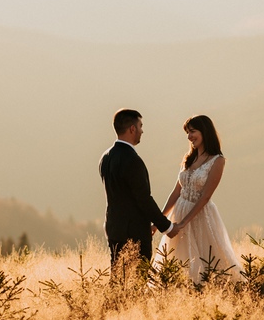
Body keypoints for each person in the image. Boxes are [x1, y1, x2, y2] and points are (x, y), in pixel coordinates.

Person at [153, 115, 243, 286]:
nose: (189, 136)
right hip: (179, 212)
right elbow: (176, 191)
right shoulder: (189, 158)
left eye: (192, 131)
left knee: (206, 256)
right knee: (177, 257)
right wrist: (159, 220)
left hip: (200, 215)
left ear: (205, 132)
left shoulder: (217, 160)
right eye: (187, 132)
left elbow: (206, 196)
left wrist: (184, 223)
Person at [99, 109, 181, 265]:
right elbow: (143, 199)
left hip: (113, 227)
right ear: (132, 129)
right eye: (140, 126)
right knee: (136, 280)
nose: (142, 131)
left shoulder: (106, 157)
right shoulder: (132, 160)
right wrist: (167, 227)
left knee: (118, 279)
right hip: (133, 232)